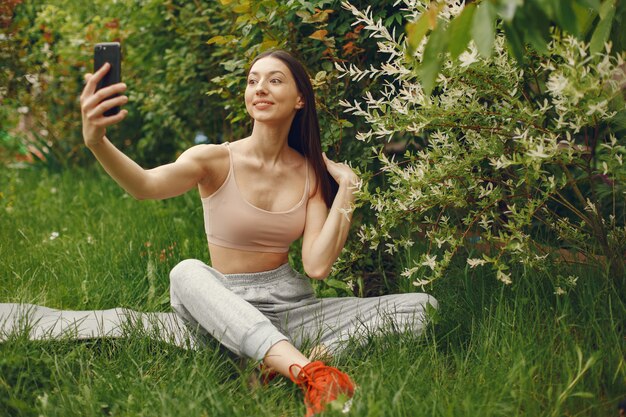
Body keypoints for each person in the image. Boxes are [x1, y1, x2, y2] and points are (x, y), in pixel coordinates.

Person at [79, 49, 437, 416]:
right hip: (222, 308)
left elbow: (316, 266)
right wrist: (97, 142)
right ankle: (310, 373)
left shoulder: (310, 175)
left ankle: (283, 361)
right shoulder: (214, 159)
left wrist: (348, 187)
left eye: (274, 80)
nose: (260, 88)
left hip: (289, 310)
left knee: (422, 308)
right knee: (185, 271)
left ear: (300, 99)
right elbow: (144, 185)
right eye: (253, 81)